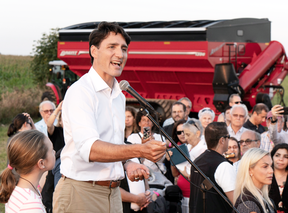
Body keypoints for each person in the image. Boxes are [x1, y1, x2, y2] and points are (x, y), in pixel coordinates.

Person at [53, 22, 166, 213]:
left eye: (123, 49)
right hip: (82, 193)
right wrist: (139, 151)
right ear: (94, 51)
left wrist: (127, 163)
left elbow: (111, 143)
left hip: (113, 194)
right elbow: (90, 150)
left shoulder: (119, 96)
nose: (120, 55)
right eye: (111, 47)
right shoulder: (81, 92)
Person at [0, 130, 55, 213]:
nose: (54, 152)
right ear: (41, 163)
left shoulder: (18, 187)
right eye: (51, 150)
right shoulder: (32, 205)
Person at [189, 122, 236, 213]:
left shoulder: (197, 161)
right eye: (228, 136)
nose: (228, 139)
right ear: (222, 140)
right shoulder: (223, 165)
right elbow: (236, 201)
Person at [170, 119, 206, 213]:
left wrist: (186, 172)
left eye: (188, 134)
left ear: (198, 133)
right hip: (183, 193)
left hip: (195, 194)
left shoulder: (203, 150)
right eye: (184, 134)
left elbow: (193, 174)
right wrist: (173, 159)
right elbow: (176, 172)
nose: (185, 137)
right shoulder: (188, 147)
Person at [234, 148, 275, 213]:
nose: (271, 171)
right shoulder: (249, 205)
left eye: (271, 166)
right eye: (265, 166)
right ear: (250, 170)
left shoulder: (262, 197)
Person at [41, 101, 65, 213]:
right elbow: (49, 124)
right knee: (58, 193)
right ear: (60, 121)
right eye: (64, 118)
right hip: (58, 167)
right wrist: (58, 109)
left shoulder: (76, 133)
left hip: (72, 167)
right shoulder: (57, 132)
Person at [269, 143, 288, 212]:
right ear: (272, 157)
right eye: (277, 155)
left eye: (286, 157)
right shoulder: (264, 175)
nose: (281, 159)